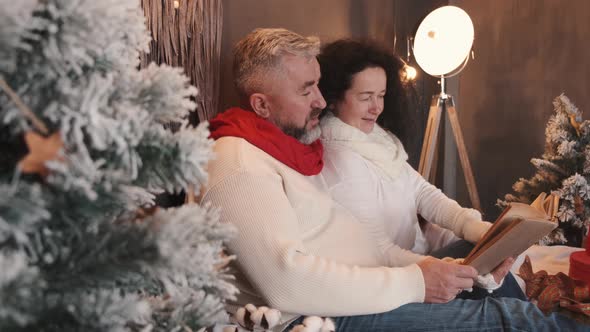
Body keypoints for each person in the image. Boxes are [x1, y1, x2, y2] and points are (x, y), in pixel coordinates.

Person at [201, 28, 587, 331]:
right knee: (520, 322)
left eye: (319, 85)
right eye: (306, 90)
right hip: (316, 316)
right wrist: (416, 282)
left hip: (367, 286)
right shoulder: (237, 163)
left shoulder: (292, 151)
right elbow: (286, 284)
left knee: (491, 286)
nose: (320, 100)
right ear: (261, 104)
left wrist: (447, 270)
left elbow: (377, 249)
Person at [316, 39, 525, 299]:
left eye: (381, 96)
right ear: (333, 100)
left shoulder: (375, 140)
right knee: (489, 274)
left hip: (413, 260)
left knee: (487, 250)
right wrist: (442, 268)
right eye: (365, 97)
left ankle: (526, 309)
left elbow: (423, 193)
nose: (376, 108)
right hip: (392, 278)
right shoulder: (341, 158)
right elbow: (379, 252)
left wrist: (474, 227)